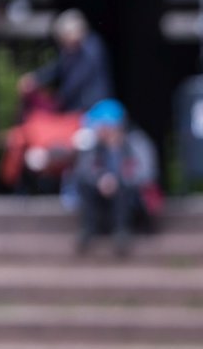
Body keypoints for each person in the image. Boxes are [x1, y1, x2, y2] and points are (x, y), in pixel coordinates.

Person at [67, 99, 160, 257]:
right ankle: (88, 229)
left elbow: (147, 174)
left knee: (124, 187)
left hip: (131, 200)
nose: (96, 129)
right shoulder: (94, 146)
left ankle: (122, 232)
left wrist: (118, 181)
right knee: (83, 183)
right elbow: (83, 171)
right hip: (103, 198)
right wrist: (101, 180)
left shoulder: (137, 142)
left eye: (99, 125)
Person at [19, 9, 113, 114]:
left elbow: (78, 78)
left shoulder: (92, 47)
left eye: (63, 39)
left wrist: (58, 99)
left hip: (94, 109)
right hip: (77, 109)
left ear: (73, 33)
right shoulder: (71, 51)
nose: (63, 44)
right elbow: (56, 68)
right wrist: (35, 78)